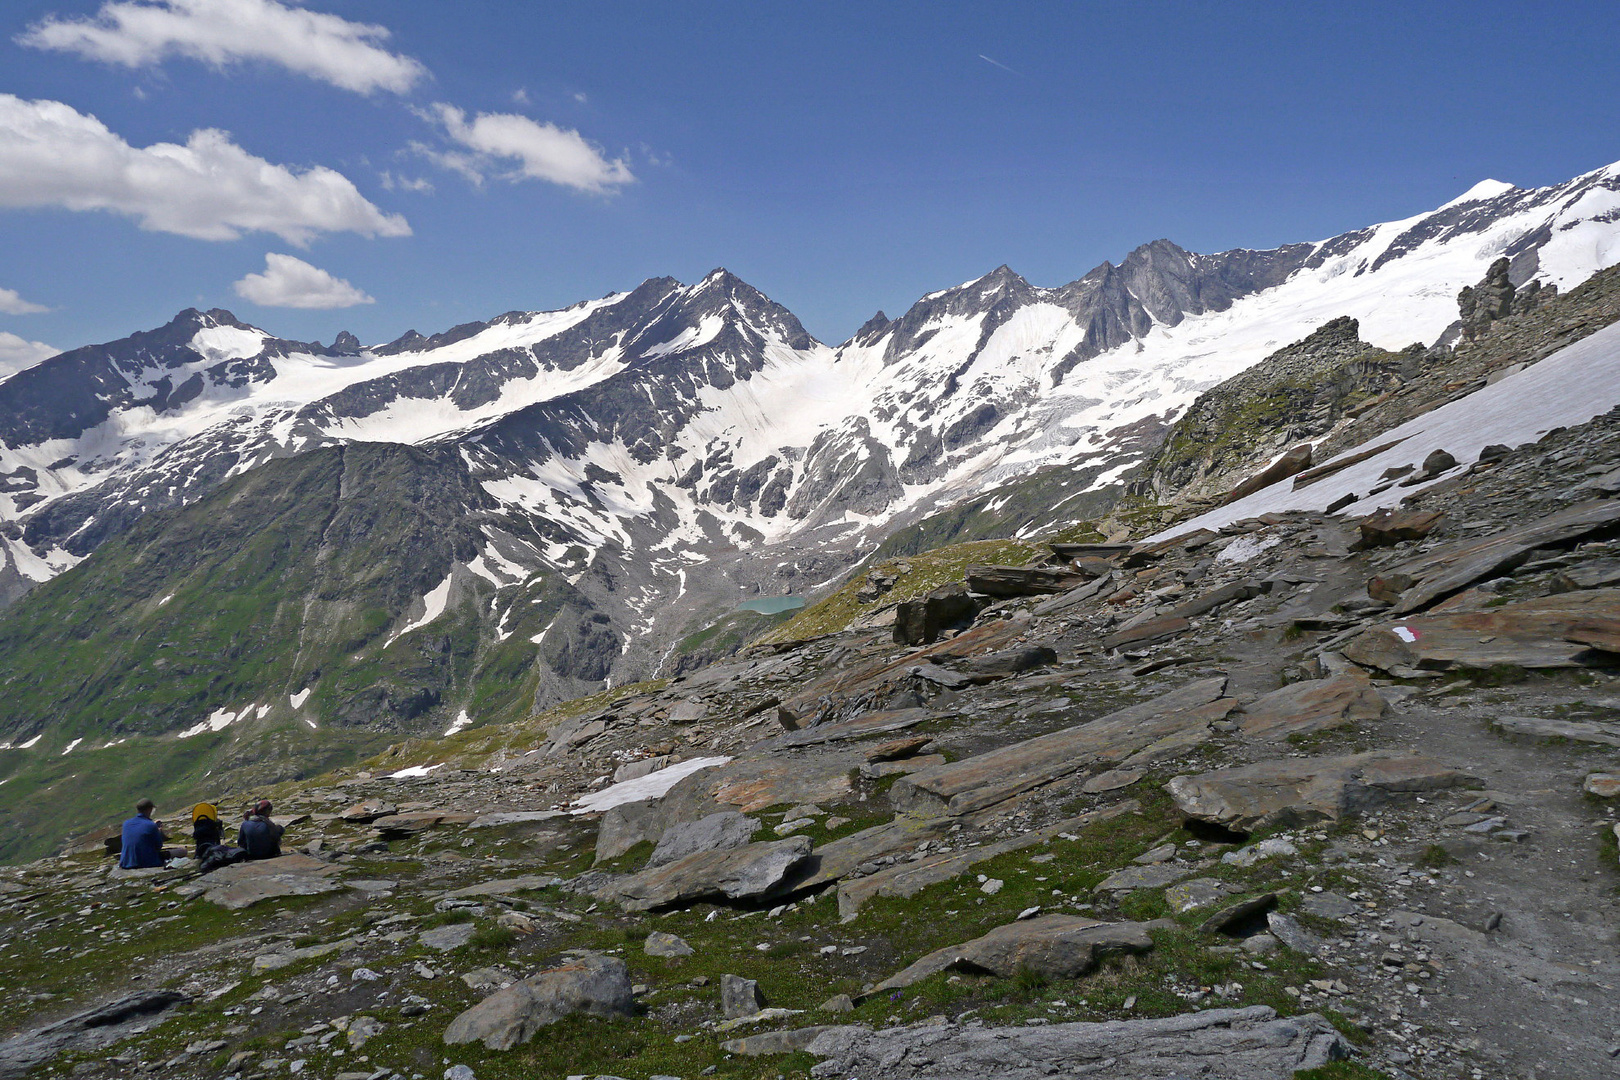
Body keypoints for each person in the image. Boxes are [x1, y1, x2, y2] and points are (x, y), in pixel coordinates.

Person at [118, 798, 166, 869]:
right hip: (146, 863)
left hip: (125, 863)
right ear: (149, 809)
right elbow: (158, 846)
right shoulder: (151, 825)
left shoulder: (126, 824)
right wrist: (159, 831)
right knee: (181, 851)